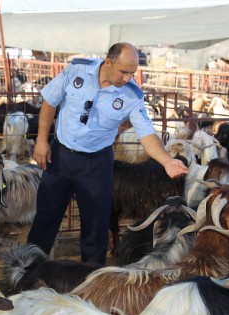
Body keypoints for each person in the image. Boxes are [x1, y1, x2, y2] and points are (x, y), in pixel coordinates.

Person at [27, 42, 188, 265]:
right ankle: (27, 273)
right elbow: (49, 101)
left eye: (132, 73)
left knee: (96, 227)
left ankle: (90, 281)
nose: (128, 79)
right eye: (124, 72)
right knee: (45, 218)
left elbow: (147, 134)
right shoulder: (77, 70)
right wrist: (42, 141)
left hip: (96, 164)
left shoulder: (132, 95)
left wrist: (167, 161)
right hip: (60, 156)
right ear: (108, 61)